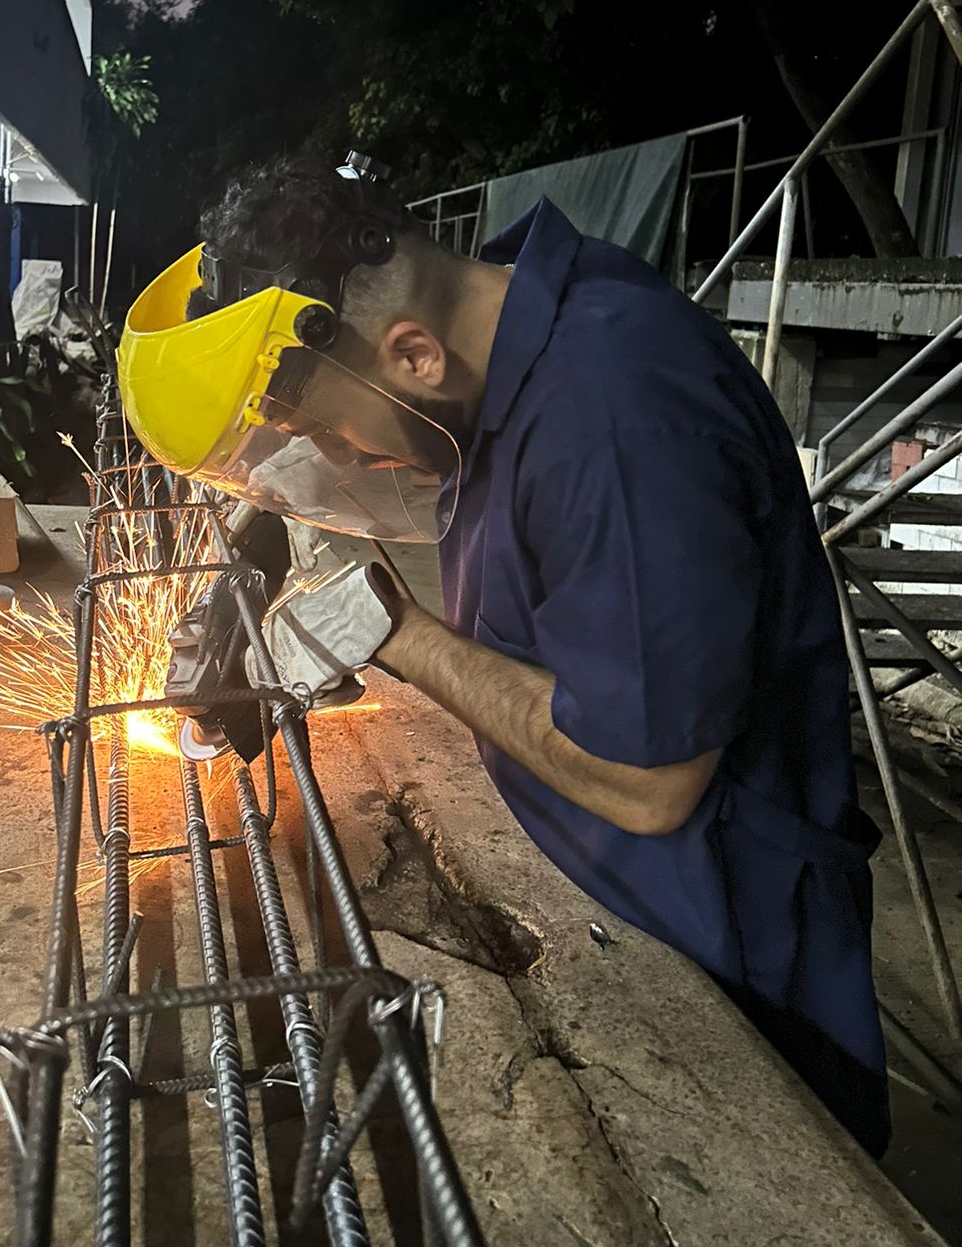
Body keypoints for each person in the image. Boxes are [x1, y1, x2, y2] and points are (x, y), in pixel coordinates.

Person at [119, 154, 889, 1156]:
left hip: (726, 940)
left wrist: (393, 632)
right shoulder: (511, 331)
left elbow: (650, 782)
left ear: (412, 354)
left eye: (326, 430)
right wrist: (271, 521)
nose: (338, 456)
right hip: (624, 888)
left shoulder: (615, 416)